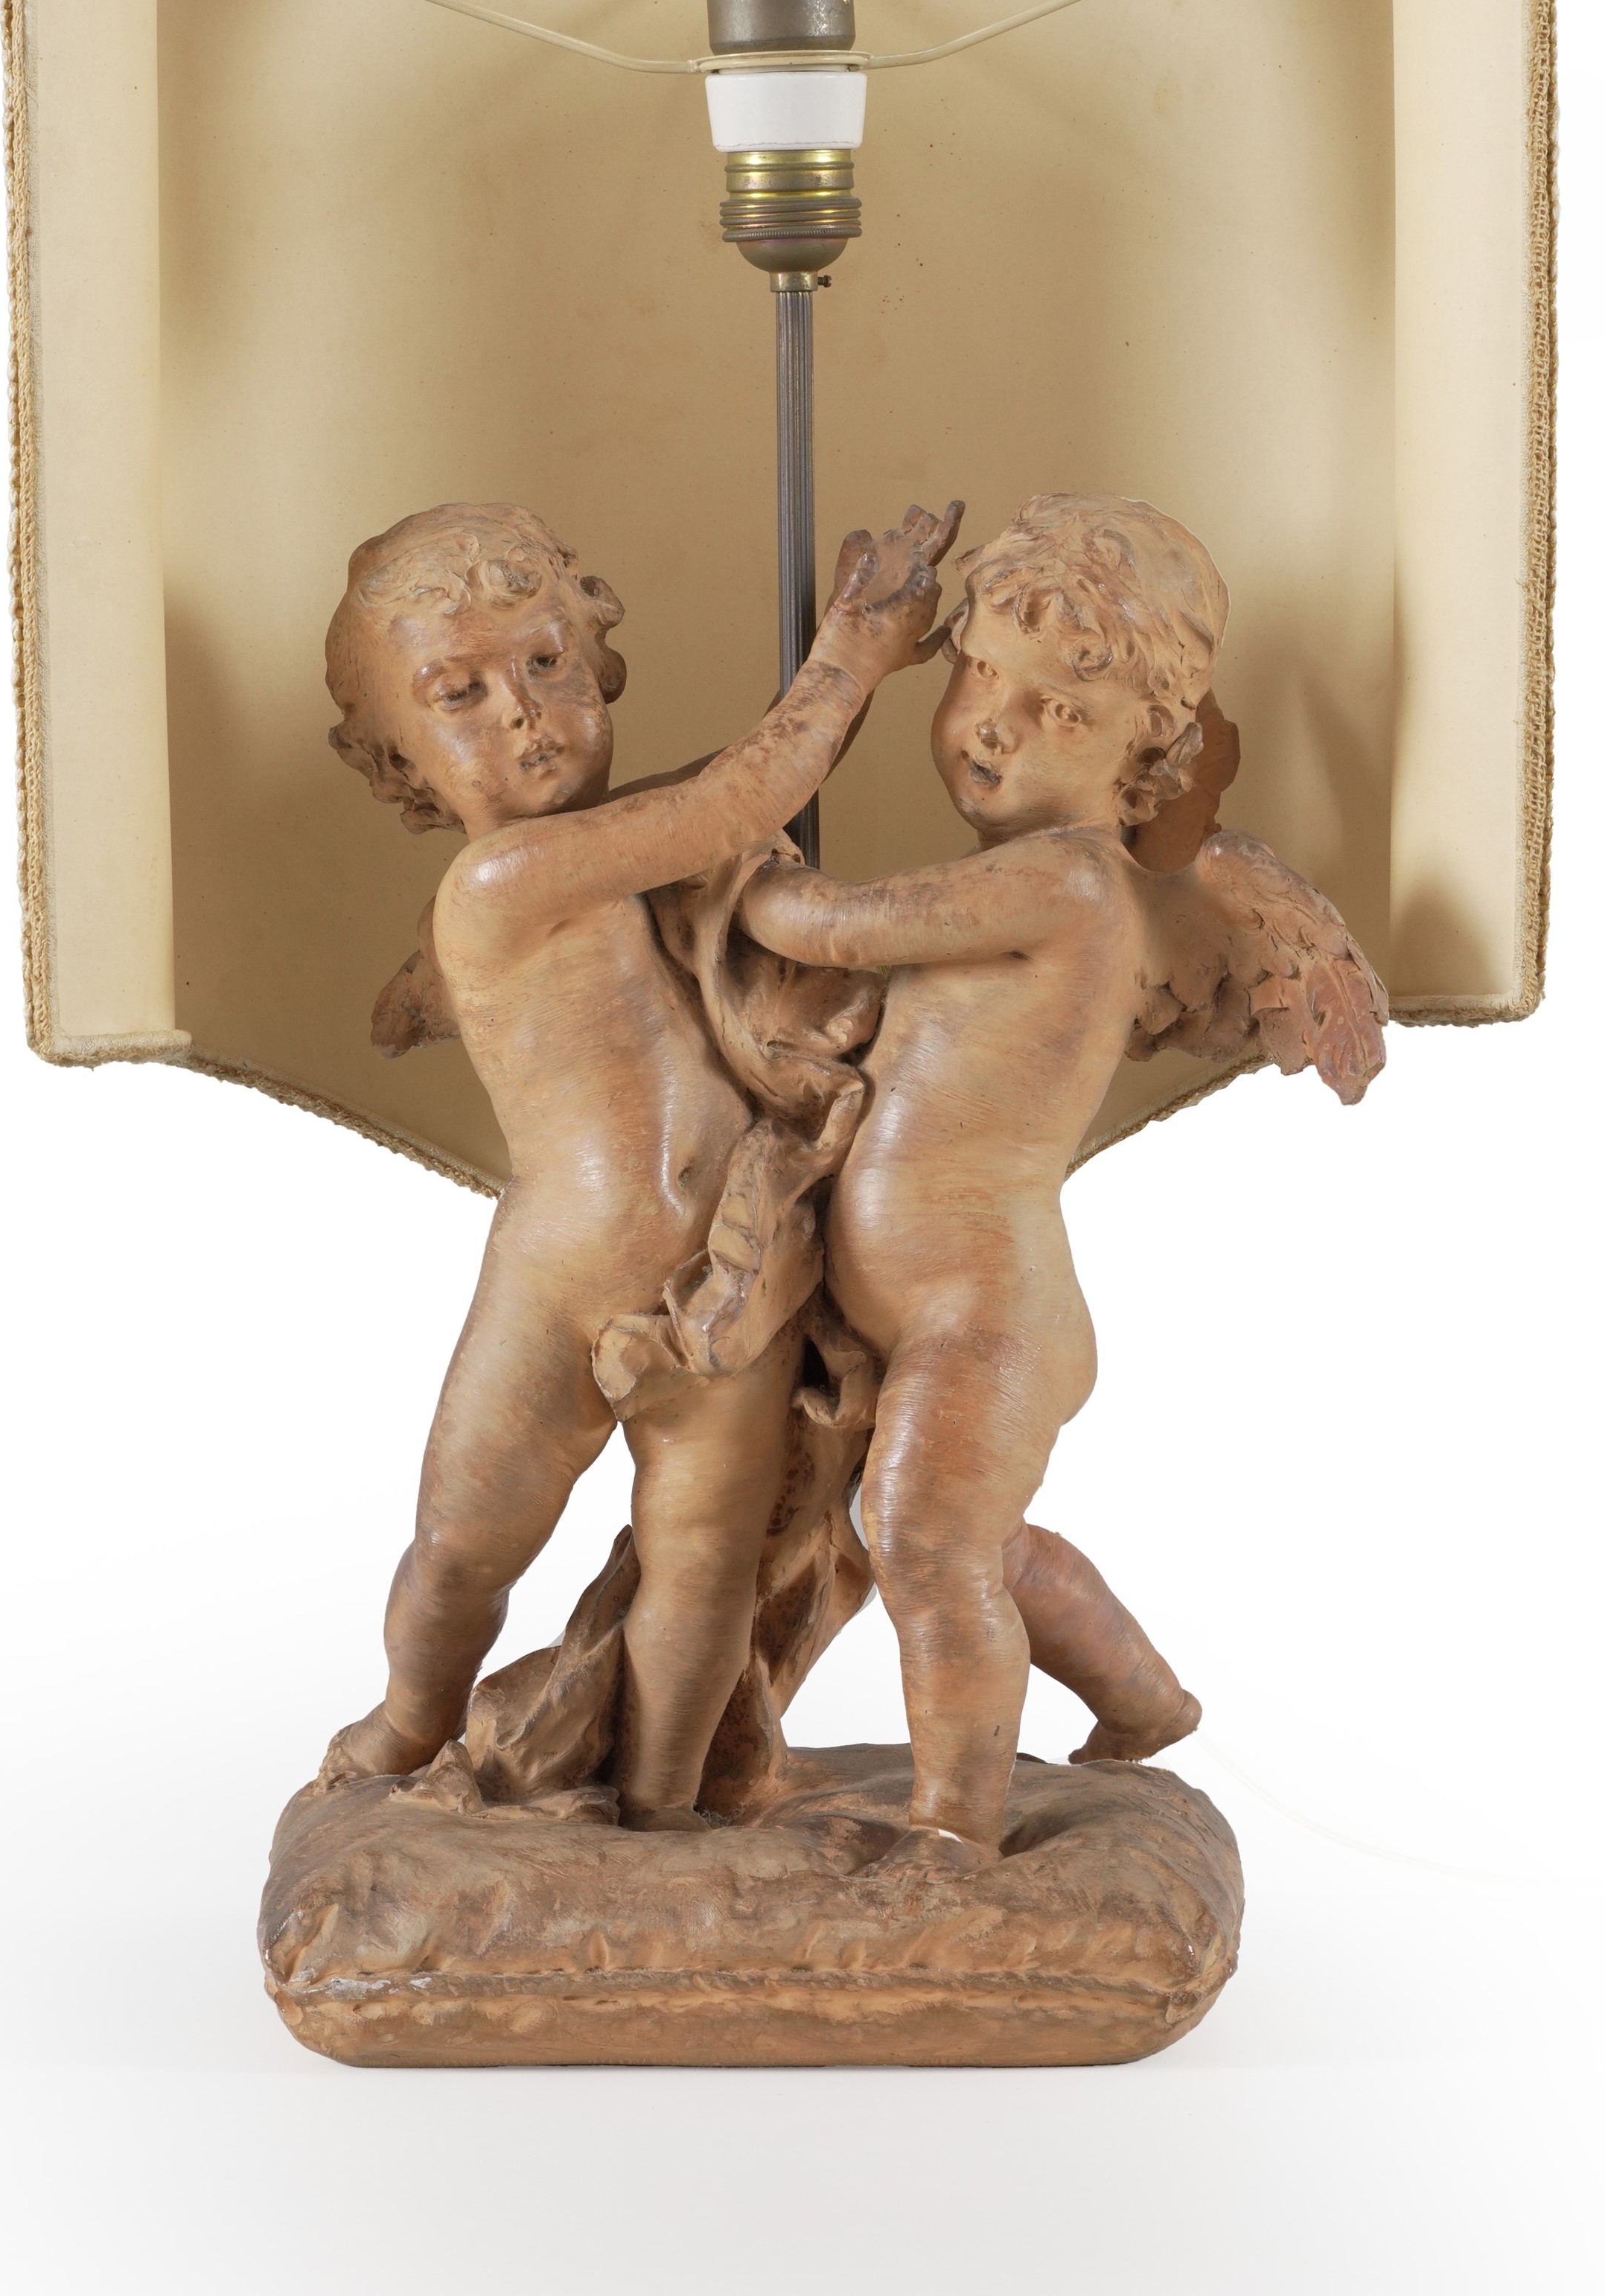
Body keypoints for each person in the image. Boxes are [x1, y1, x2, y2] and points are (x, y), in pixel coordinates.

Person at [739, 494, 1385, 1864]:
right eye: (982, 673)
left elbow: (826, 922)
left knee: (922, 1541)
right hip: (922, 1312)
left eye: (1062, 712)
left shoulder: (1070, 885)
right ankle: (1144, 1699)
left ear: (1144, 753)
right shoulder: (1028, 883)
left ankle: (953, 1831)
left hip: (986, 1316)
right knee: (984, 1542)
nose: (994, 723)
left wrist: (738, 849)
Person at [313, 497, 956, 1825]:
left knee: (705, 1564)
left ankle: (660, 1809)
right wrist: (850, 658)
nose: (523, 712)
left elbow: (735, 791)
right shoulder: (496, 888)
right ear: (399, 759)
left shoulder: (631, 844)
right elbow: (740, 798)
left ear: (599, 660)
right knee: (464, 1544)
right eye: (460, 694)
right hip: (557, 1290)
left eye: (547, 663)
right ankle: (413, 1714)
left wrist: (842, 670)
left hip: (727, 1282)